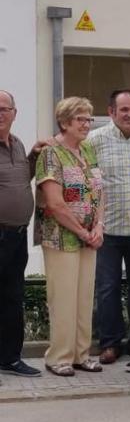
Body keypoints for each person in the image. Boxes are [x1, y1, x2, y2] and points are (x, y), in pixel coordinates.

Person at [34, 97, 105, 377]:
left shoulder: (88, 149)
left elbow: (99, 189)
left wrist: (99, 225)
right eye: (80, 119)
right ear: (64, 122)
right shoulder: (51, 154)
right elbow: (55, 203)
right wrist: (82, 231)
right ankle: (58, 357)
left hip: (89, 236)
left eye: (89, 119)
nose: (86, 125)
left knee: (85, 297)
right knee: (63, 298)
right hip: (62, 237)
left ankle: (81, 354)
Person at [88, 89, 130, 367]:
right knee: (107, 288)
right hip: (108, 230)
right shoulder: (95, 141)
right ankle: (110, 343)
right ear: (111, 112)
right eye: (124, 110)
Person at [0, 90, 46, 377]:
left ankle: (9, 358)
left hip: (16, 237)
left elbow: (19, 179)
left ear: (15, 113)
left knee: (13, 298)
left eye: (5, 108)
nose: (0, 114)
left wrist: (33, 156)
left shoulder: (16, 145)